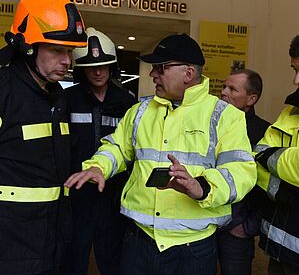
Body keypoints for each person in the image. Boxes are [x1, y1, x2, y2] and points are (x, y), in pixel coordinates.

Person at [64, 33, 257, 275]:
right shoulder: (140, 111)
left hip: (192, 249)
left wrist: (203, 187)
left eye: (160, 68)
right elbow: (116, 147)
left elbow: (242, 172)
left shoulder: (226, 117)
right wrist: (98, 166)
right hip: (138, 241)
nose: (152, 74)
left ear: (188, 73)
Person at [0, 0, 87, 275]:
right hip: (10, 244)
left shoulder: (56, 95)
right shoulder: (4, 91)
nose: (67, 61)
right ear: (28, 47)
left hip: (50, 239)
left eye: (70, 52)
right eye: (57, 50)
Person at [62, 27, 136, 275]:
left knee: (113, 259)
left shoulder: (127, 102)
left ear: (112, 67)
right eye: (91, 66)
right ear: (80, 69)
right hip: (75, 197)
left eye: (103, 65)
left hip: (112, 196)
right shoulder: (65, 100)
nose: (97, 71)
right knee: (72, 258)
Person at [254, 34, 299, 274]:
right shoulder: (291, 112)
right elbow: (258, 154)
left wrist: (274, 159)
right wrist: (288, 190)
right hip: (278, 248)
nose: (296, 80)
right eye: (295, 69)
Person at [219, 69, 271, 275]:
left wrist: (248, 227)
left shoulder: (264, 133)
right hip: (204, 225)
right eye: (224, 86)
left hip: (236, 232)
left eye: (232, 89)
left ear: (252, 99)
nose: (223, 92)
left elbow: (267, 185)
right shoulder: (210, 125)